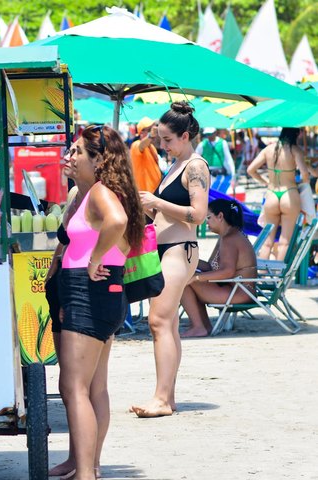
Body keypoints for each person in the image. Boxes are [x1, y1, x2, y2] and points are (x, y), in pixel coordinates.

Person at [46, 125, 145, 479]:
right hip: (100, 293)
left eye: (77, 152)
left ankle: (86, 471)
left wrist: (92, 259)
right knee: (92, 387)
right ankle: (86, 464)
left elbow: (116, 222)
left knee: (75, 387)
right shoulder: (93, 192)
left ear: (99, 160)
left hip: (89, 291)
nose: (69, 156)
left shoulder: (102, 193)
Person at [132, 101, 210, 418]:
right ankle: (168, 396)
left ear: (186, 134)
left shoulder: (194, 166)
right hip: (168, 247)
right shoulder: (176, 165)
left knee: (159, 321)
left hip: (179, 249)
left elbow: (199, 214)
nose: (162, 145)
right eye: (160, 139)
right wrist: (148, 206)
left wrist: (156, 202)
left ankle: (162, 398)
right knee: (169, 325)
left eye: (167, 139)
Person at [180, 199, 257, 337]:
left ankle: (199, 326)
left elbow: (227, 272)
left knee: (183, 283)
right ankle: (203, 325)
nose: (206, 222)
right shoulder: (228, 236)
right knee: (186, 278)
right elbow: (211, 267)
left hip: (239, 292)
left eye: (209, 217)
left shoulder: (230, 239)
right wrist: (188, 260)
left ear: (220, 216)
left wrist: (196, 277)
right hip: (237, 289)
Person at [246, 128, 313, 260]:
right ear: (296, 134)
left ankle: (263, 273)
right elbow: (305, 174)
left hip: (271, 194)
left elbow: (251, 170)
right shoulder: (295, 150)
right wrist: (302, 185)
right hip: (290, 194)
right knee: (284, 241)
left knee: (267, 242)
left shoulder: (268, 149)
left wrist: (265, 182)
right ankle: (278, 274)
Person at [196, 127, 235, 192]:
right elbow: (196, 156)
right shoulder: (203, 144)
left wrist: (233, 173)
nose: (208, 136)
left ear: (215, 133)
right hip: (207, 173)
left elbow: (229, 158)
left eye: (210, 134)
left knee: (220, 192)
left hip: (220, 172)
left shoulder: (222, 142)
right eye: (207, 134)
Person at [129, 117, 163, 193]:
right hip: (144, 194)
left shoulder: (151, 146)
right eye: (150, 129)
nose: (153, 130)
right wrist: (150, 135)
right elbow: (141, 145)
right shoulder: (135, 145)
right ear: (141, 132)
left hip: (154, 193)